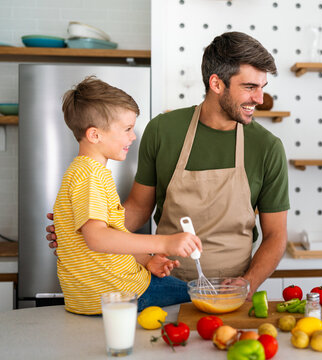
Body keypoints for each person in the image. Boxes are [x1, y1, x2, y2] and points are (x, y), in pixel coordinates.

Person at [47, 32, 289, 298]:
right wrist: (81, 230)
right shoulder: (163, 130)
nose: (260, 98)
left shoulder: (267, 147)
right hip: (165, 280)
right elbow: (138, 208)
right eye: (250, 87)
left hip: (232, 290)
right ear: (216, 83)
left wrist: (247, 283)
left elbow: (276, 236)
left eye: (262, 86)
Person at [54, 76, 202, 315]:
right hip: (122, 292)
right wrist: (165, 242)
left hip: (93, 297)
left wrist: (147, 260)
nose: (133, 136)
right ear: (94, 135)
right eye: (127, 129)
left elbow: (112, 236)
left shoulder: (81, 172)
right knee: (202, 297)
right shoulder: (92, 176)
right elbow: (98, 238)